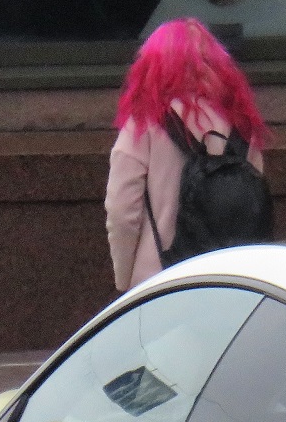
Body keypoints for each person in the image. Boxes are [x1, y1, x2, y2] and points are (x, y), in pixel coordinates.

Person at [105, 17, 272, 293]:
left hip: (161, 283)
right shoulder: (241, 125)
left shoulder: (144, 124)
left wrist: (125, 280)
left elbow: (122, 213)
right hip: (232, 284)